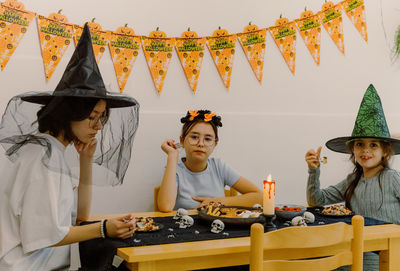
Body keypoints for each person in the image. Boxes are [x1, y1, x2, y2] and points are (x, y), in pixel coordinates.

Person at [0, 23, 139, 270]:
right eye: (92, 116)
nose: (99, 126)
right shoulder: (44, 158)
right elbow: (50, 235)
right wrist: (104, 229)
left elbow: (80, 217)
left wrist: (86, 161)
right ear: (69, 113)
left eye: (101, 117)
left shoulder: (50, 150)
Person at [305, 84, 400, 271]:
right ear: (352, 150)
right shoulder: (352, 181)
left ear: (385, 151)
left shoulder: (393, 179)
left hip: (385, 261)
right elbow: (316, 200)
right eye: (360, 144)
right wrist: (313, 171)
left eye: (373, 145)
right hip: (351, 257)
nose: (365, 150)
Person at [158, 109, 262, 212]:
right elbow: (165, 206)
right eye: (194, 137)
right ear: (182, 141)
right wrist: (172, 156)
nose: (201, 144)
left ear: (215, 144)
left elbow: (261, 197)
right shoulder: (174, 170)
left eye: (207, 139)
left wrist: (217, 202)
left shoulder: (219, 167)